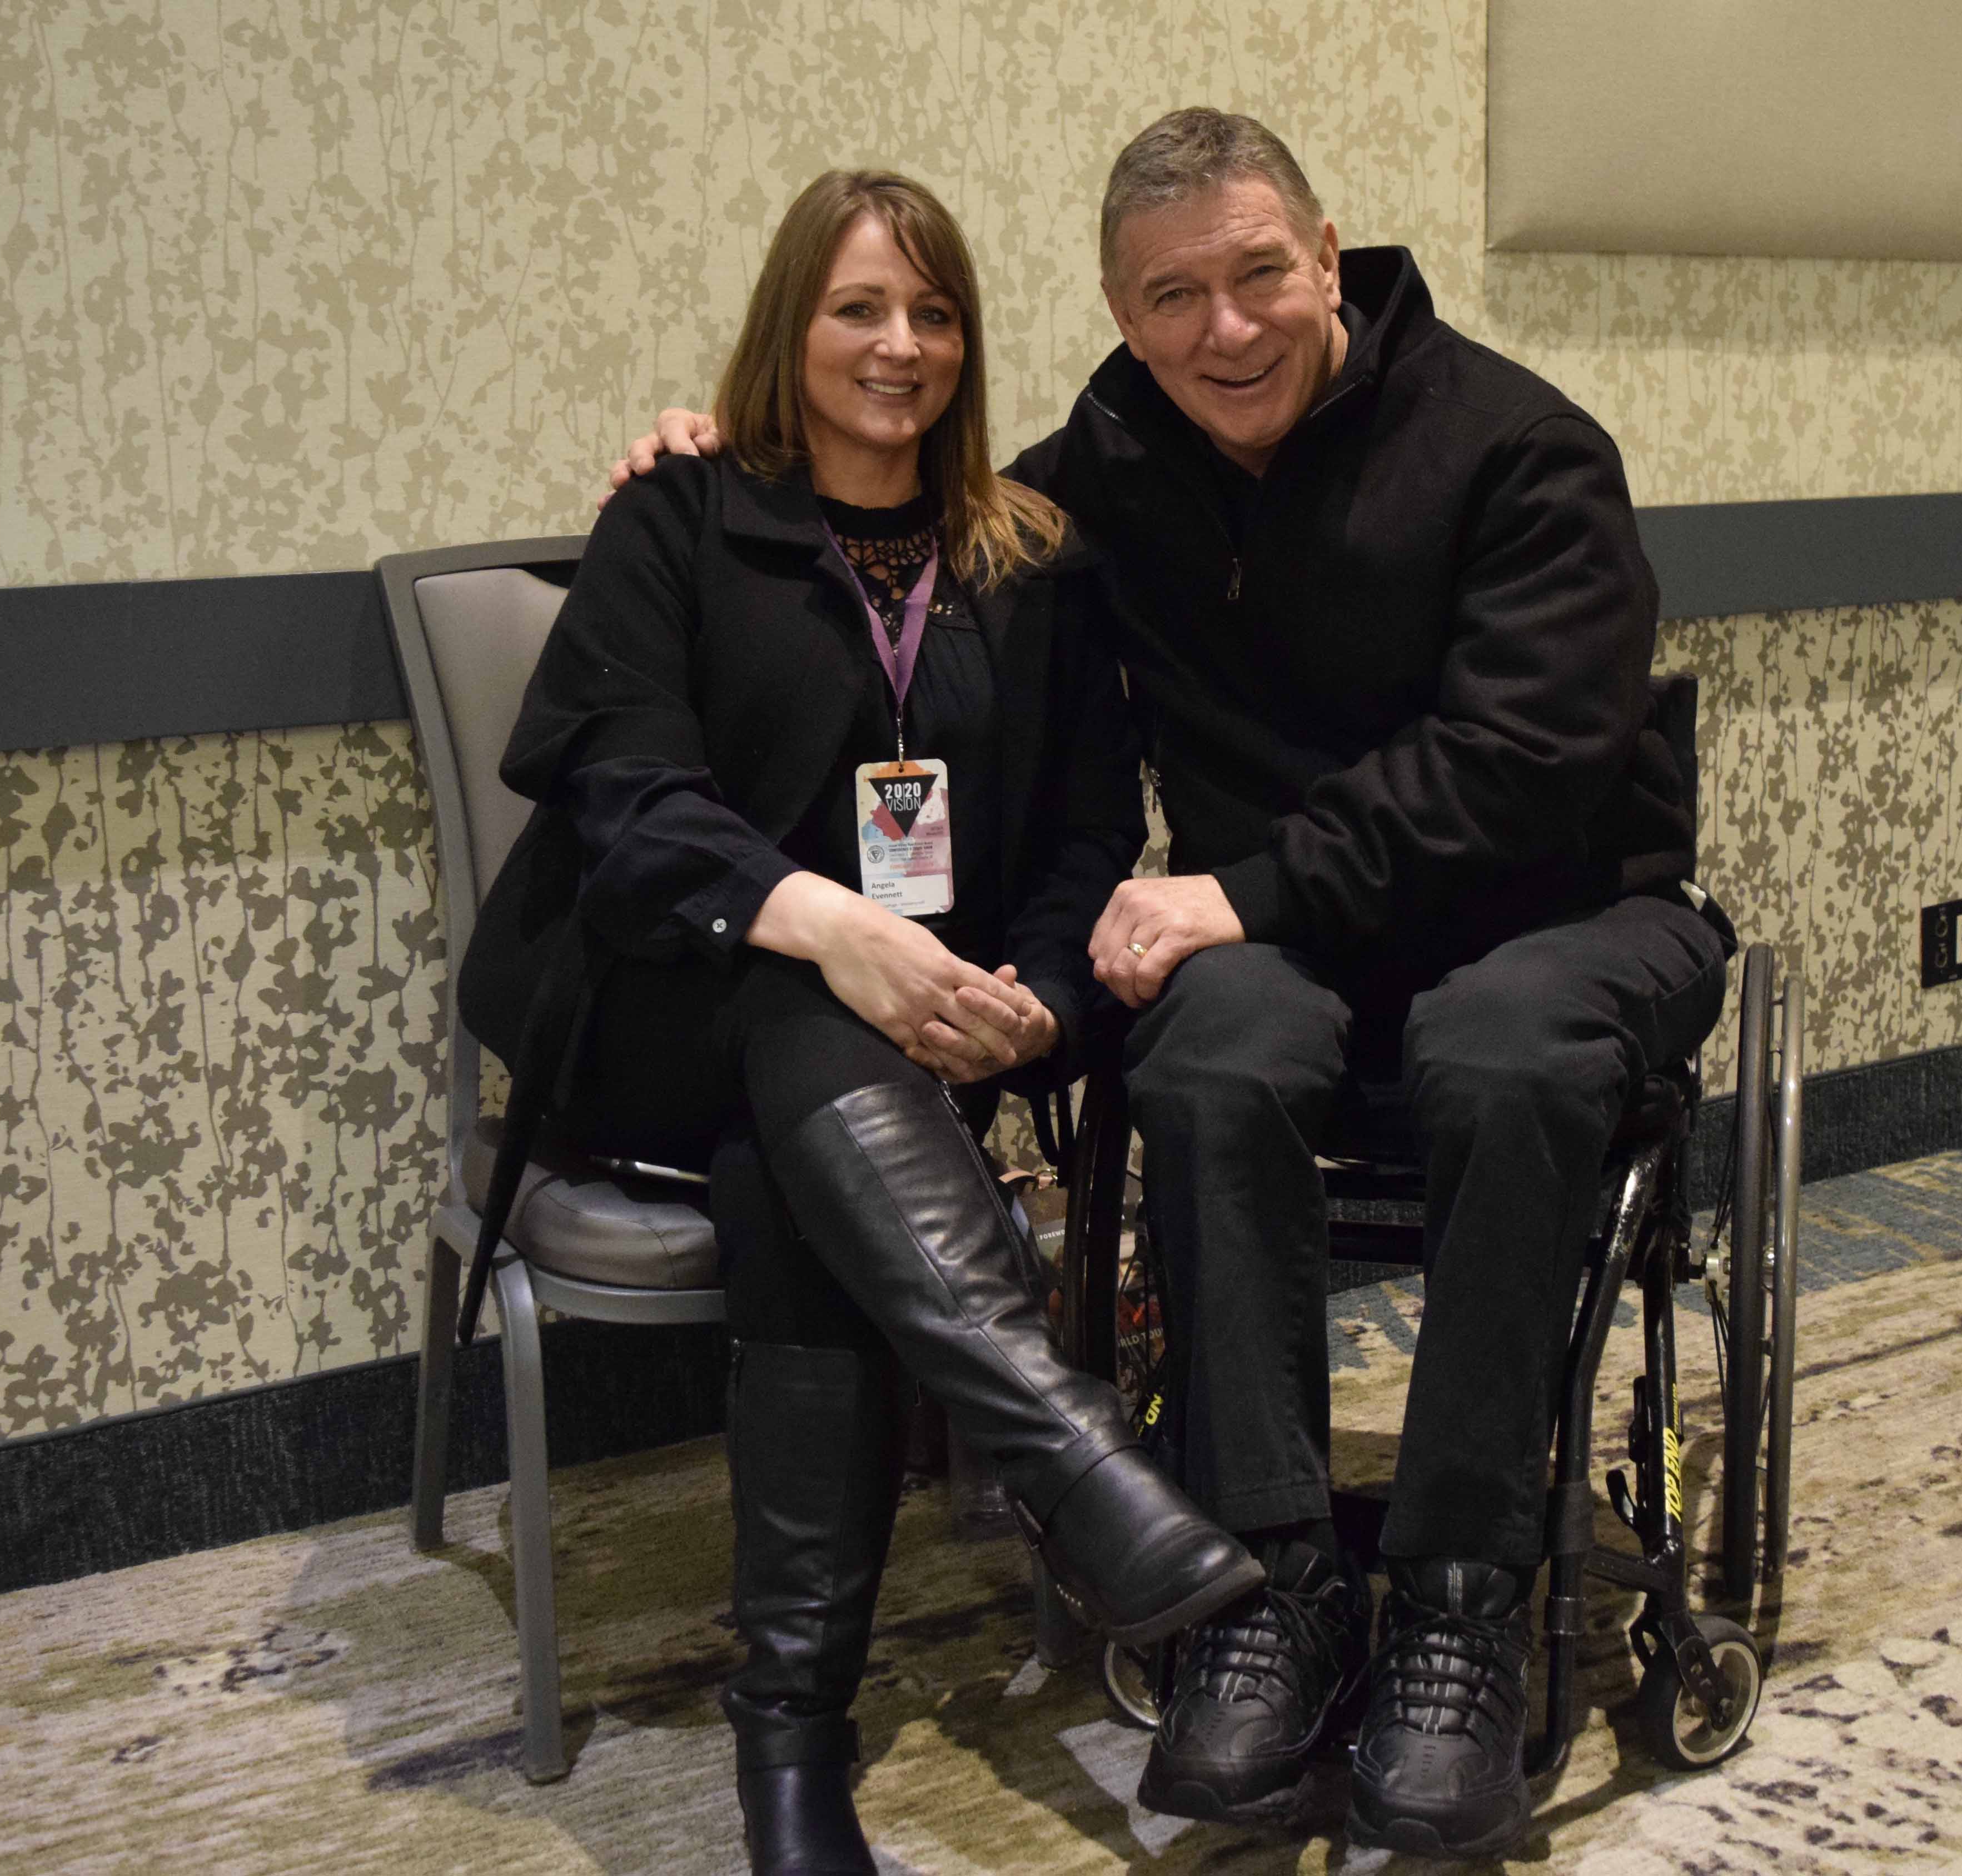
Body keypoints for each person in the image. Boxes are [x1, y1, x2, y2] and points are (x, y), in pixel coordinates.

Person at [613, 112, 1725, 1860]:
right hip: (1279, 942)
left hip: (1566, 908)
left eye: (1260, 274)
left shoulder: (1519, 444)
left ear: (1331, 251)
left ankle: (1455, 1592)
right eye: (1172, 296)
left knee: (1500, 1055)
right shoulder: (1108, 471)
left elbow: (1527, 760)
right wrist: (717, 458)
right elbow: (896, 499)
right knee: (1200, 1057)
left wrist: (1244, 887)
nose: (1227, 330)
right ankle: (1266, 1590)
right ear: (1122, 320)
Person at [466, 169, 1262, 1876]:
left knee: (795, 1167)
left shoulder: (1025, 560)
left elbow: (1075, 832)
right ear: (789, 326)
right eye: (856, 309)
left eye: (932, 312)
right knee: (794, 1019)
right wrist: (832, 930)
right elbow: (620, 791)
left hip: (888, 1070)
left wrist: (1037, 996)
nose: (898, 346)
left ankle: (792, 1752)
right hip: (656, 1015)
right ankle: (1068, 1450)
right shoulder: (681, 517)